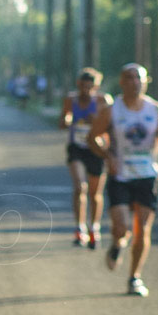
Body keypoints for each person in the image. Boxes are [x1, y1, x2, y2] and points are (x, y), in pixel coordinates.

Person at [87, 63, 158, 296]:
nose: (134, 82)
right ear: (121, 82)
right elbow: (93, 138)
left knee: (142, 229)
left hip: (148, 175)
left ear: (145, 81)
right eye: (129, 78)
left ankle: (134, 278)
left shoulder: (157, 110)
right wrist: (108, 156)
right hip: (120, 175)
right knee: (122, 228)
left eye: (138, 78)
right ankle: (118, 243)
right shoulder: (112, 111)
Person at [58, 68, 111, 248]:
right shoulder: (70, 100)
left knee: (95, 193)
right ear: (78, 85)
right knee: (80, 186)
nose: (87, 91)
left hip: (96, 149)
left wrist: (96, 122)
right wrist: (69, 120)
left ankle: (93, 227)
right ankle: (79, 227)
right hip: (77, 148)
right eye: (83, 87)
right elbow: (61, 123)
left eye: (91, 87)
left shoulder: (103, 101)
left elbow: (111, 126)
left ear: (96, 86)